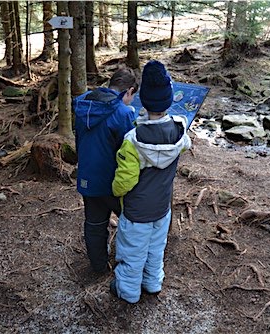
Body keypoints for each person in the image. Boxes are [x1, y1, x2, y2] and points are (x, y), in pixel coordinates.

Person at [110, 60, 192, 303]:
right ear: (168, 100)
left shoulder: (133, 140)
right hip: (161, 209)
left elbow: (125, 180)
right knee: (156, 249)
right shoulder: (179, 132)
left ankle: (128, 293)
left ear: (143, 101)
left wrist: (115, 190)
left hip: (137, 212)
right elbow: (185, 147)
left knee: (132, 254)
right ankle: (153, 283)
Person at [74, 68, 139, 274]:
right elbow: (128, 152)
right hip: (113, 182)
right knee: (130, 222)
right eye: (133, 96)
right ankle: (128, 264)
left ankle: (98, 266)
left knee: (94, 224)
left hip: (87, 177)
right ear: (129, 90)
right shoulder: (123, 113)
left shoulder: (84, 103)